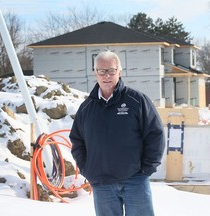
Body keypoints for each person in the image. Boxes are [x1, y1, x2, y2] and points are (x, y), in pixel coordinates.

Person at [69, 50, 165, 216]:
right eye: (102, 71)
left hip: (135, 180)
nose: (107, 76)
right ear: (95, 73)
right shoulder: (86, 108)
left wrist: (146, 168)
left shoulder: (137, 100)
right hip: (102, 184)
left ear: (119, 72)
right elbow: (77, 141)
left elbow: (155, 134)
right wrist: (88, 169)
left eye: (111, 70)